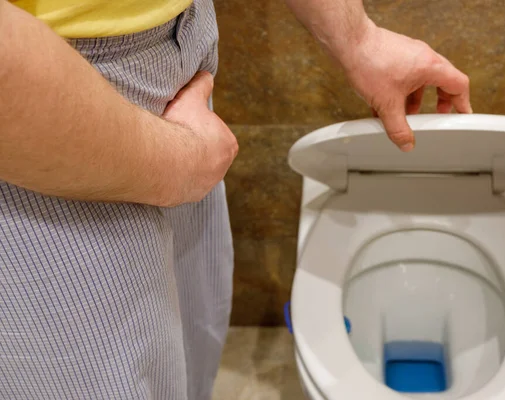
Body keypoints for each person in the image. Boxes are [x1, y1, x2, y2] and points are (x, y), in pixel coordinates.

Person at [0, 0, 472, 399]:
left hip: (177, 56)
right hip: (40, 112)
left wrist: (359, 38)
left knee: (188, 354)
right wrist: (175, 166)